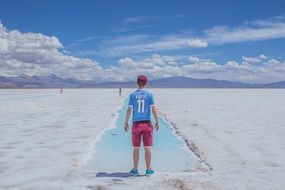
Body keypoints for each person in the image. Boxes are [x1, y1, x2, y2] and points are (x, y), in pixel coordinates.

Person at [124, 75, 159, 175]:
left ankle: (135, 169)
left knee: (136, 148)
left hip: (136, 124)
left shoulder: (132, 95)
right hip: (147, 124)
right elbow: (154, 109)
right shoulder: (150, 95)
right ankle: (148, 170)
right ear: (146, 83)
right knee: (147, 147)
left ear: (137, 83)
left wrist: (126, 122)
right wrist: (157, 121)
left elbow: (129, 110)